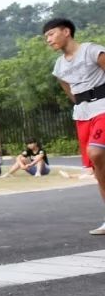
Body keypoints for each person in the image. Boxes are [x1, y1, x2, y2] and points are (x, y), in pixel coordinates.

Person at [43, 17, 105, 235]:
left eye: (51, 34)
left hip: (103, 108)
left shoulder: (91, 51)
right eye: (46, 37)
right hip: (82, 115)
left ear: (66, 31)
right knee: (98, 168)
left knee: (96, 152)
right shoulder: (59, 66)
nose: (48, 40)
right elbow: (69, 91)